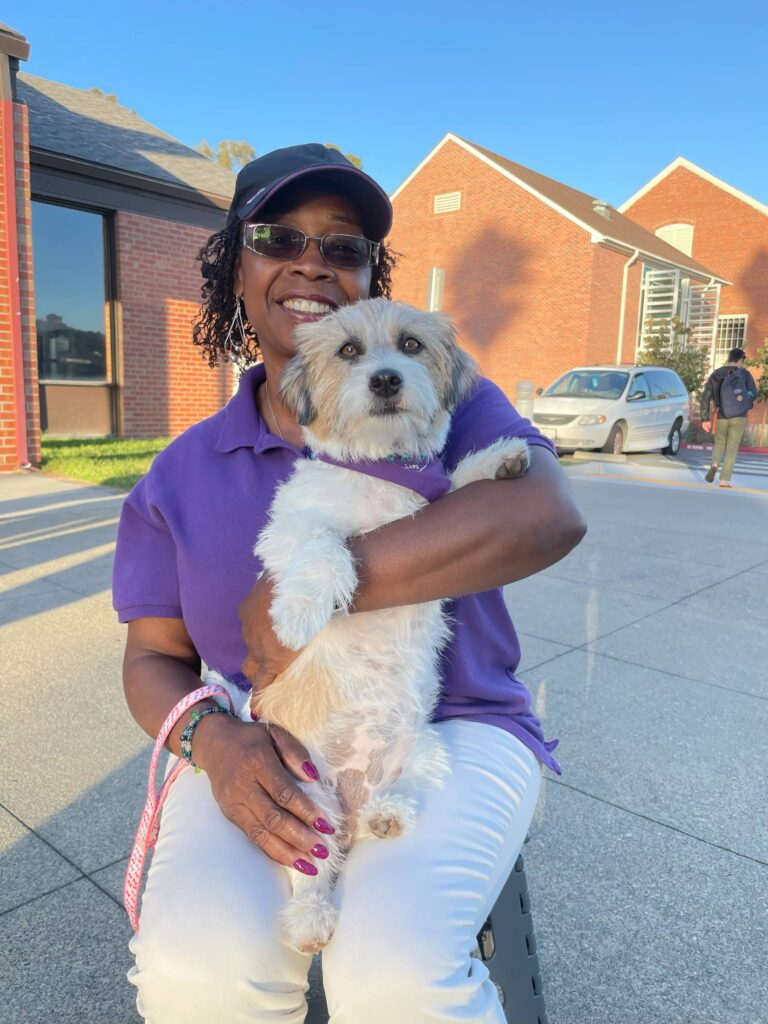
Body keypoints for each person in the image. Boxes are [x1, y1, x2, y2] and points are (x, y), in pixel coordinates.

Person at [112, 143, 587, 1024]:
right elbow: (151, 658)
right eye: (277, 236)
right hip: (271, 735)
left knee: (395, 977)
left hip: (455, 723)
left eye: (345, 247)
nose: (311, 262)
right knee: (195, 974)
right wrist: (216, 746)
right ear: (234, 265)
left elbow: (547, 516)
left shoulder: (439, 394)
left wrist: (324, 581)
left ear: (372, 275)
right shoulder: (181, 472)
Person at [700, 347, 757, 488]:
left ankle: (714, 464)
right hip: (739, 417)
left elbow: (706, 396)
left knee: (719, 443)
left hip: (720, 415)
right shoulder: (745, 374)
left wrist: (704, 418)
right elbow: (753, 393)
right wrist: (744, 403)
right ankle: (724, 481)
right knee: (732, 448)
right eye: (742, 360)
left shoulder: (717, 374)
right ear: (739, 360)